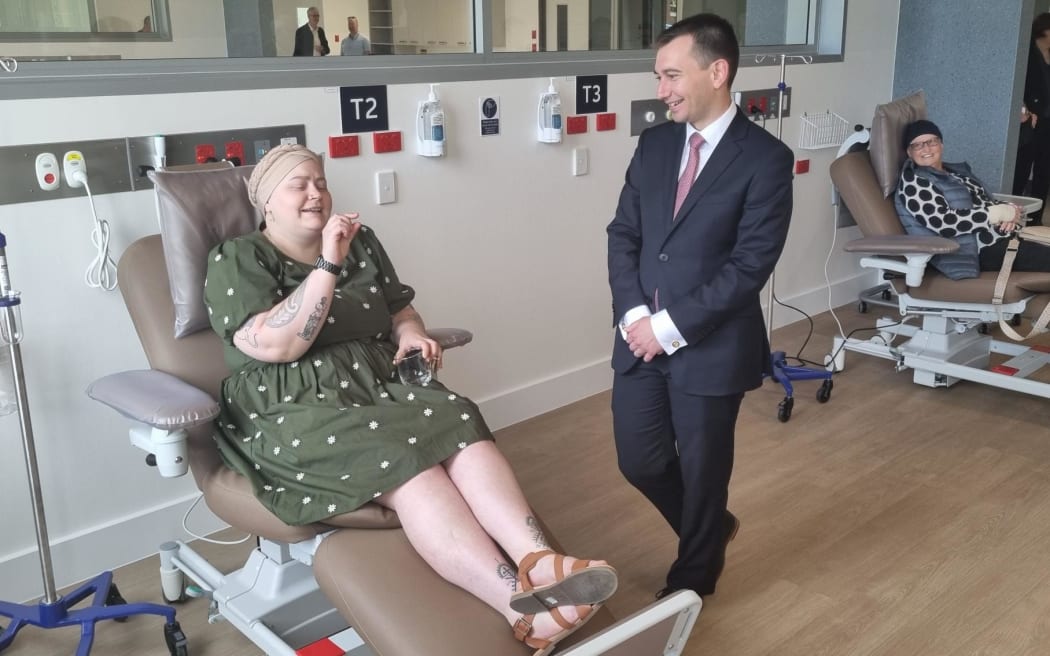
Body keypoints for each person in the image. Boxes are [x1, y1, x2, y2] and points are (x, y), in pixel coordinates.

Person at [204, 145, 618, 655]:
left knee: (459, 419)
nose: (316, 193)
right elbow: (278, 343)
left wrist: (410, 335)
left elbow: (400, 309)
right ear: (268, 201)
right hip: (291, 402)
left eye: (320, 181)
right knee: (404, 460)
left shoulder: (362, 241)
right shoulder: (240, 256)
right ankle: (518, 605)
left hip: (376, 383)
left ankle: (542, 563)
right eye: (299, 184)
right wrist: (329, 263)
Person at [606, 13, 794, 600]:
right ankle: (711, 532)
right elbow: (625, 235)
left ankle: (693, 579)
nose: (661, 90)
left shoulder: (766, 159)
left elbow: (749, 267)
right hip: (639, 337)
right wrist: (636, 317)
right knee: (640, 460)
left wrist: (670, 326)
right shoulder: (655, 144)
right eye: (658, 76)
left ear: (718, 71)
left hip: (710, 344)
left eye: (671, 75)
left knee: (705, 472)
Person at [896, 119, 1050, 276]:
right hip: (977, 251)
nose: (926, 148)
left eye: (932, 142)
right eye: (918, 145)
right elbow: (943, 223)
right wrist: (997, 214)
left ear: (941, 145)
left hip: (1005, 238)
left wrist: (1010, 213)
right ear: (909, 152)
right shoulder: (915, 182)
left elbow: (985, 201)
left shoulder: (955, 173)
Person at [1012, 12, 1050, 220]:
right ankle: (1013, 216)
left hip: (1047, 122)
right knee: (1022, 168)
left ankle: (1035, 219)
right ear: (1045, 31)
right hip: (1031, 121)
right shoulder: (1027, 54)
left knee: (1044, 171)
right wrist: (1024, 109)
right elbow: (1018, 86)